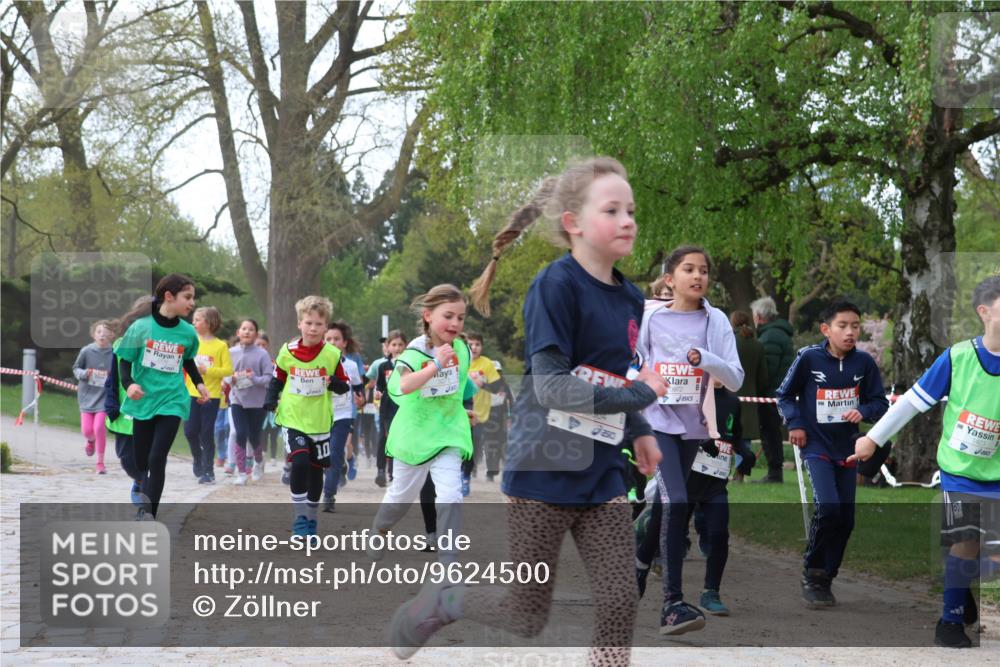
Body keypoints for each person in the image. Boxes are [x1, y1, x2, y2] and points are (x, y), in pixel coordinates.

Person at [386, 157, 667, 666]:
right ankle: (443, 600)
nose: (628, 220)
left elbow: (614, 373)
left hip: (603, 472)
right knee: (525, 614)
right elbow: (556, 388)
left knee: (621, 599)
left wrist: (640, 427)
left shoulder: (629, 297)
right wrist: (643, 398)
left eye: (631, 209)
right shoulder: (555, 286)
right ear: (573, 224)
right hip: (544, 471)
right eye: (612, 209)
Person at [850, 275, 1000, 648]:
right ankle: (949, 622)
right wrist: (873, 438)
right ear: (984, 312)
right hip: (960, 471)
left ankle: (959, 583)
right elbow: (914, 401)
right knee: (966, 539)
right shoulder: (958, 357)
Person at [633, 245, 744, 635]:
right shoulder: (649, 319)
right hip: (656, 421)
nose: (698, 276)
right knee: (676, 500)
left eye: (704, 270)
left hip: (696, 427)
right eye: (688, 269)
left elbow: (736, 378)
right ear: (670, 279)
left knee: (666, 508)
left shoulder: (716, 322)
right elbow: (630, 362)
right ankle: (671, 605)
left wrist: (705, 360)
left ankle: (639, 567)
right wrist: (645, 378)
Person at [776, 300, 889, 607]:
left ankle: (827, 576)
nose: (850, 332)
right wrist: (796, 423)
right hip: (816, 446)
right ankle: (811, 572)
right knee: (828, 508)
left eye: (855, 326)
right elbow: (784, 394)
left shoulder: (864, 363)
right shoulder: (809, 358)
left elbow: (881, 403)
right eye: (842, 326)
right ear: (826, 329)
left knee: (846, 519)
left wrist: (862, 410)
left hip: (849, 450)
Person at [367, 285, 477, 564]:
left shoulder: (462, 350)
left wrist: (464, 409)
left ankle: (448, 560)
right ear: (428, 316)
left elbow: (457, 388)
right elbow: (403, 386)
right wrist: (434, 366)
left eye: (461, 318)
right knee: (400, 499)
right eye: (448, 316)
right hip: (415, 437)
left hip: (449, 434)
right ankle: (379, 529)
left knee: (451, 494)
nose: (455, 323)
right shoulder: (415, 352)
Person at [117, 274, 209, 519]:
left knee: (157, 457)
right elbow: (125, 361)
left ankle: (148, 513)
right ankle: (140, 483)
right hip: (144, 399)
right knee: (142, 460)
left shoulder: (188, 332)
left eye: (193, 298)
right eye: (187, 297)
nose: (192, 303)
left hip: (173, 399)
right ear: (169, 296)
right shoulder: (141, 327)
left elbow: (187, 360)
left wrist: (199, 384)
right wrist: (129, 385)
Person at [263, 296, 350, 536]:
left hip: (320, 421)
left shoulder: (332, 354)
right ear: (299, 324)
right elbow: (278, 376)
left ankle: (311, 518)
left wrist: (333, 382)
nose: (313, 328)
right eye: (308, 323)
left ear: (326, 327)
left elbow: (344, 384)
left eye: (319, 324)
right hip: (292, 417)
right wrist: (271, 398)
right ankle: (299, 517)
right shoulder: (287, 351)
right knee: (299, 462)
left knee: (315, 470)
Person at [685, 379, 743, 616]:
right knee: (668, 529)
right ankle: (648, 571)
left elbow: (734, 436)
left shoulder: (732, 401)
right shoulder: (690, 395)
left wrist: (744, 454)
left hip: (715, 483)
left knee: (719, 534)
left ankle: (711, 592)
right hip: (686, 479)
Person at [183, 306, 233, 484]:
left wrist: (207, 370)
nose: (193, 322)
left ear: (210, 322)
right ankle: (198, 457)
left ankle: (208, 471)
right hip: (190, 393)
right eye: (193, 319)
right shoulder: (190, 342)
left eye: (198, 319)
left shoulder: (220, 346)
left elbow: (228, 370)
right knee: (189, 431)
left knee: (206, 433)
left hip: (211, 396)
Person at [322, 321, 365, 512]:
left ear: (344, 343)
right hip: (320, 415)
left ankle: (329, 495)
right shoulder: (317, 363)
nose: (332, 342)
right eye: (328, 338)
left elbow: (358, 388)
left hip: (342, 415)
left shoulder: (351, 366)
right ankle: (337, 470)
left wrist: (360, 398)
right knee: (323, 456)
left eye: (336, 339)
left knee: (335, 451)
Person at [751, 296, 795, 483]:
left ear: (759, 316)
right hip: (780, 392)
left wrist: (757, 388)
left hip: (770, 394)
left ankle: (774, 472)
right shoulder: (781, 334)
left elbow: (767, 369)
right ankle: (774, 471)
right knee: (773, 431)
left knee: (769, 432)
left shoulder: (769, 337)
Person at [229, 319, 274, 485]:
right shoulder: (231, 352)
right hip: (237, 400)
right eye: (244, 329)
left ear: (256, 334)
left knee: (254, 437)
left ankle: (258, 461)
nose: (247, 332)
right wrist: (231, 378)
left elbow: (269, 378)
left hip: (257, 401)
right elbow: (226, 374)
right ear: (238, 333)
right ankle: (241, 473)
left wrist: (254, 378)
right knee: (240, 433)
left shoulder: (262, 354)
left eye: (251, 329)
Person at [463, 332, 506, 495]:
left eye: (477, 344)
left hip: (481, 414)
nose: (474, 347)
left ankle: (466, 475)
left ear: (482, 347)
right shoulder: (460, 361)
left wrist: (484, 384)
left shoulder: (487, 364)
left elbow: (498, 387)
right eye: (471, 344)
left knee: (474, 446)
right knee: (462, 446)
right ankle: (462, 475)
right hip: (461, 410)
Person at [73, 320, 115, 474]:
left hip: (104, 397)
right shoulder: (86, 351)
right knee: (87, 431)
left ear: (111, 335)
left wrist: (112, 377)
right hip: (86, 396)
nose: (102, 336)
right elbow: (76, 368)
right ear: (93, 334)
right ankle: (91, 441)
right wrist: (84, 374)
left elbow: (119, 372)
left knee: (98, 428)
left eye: (105, 333)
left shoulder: (114, 353)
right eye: (99, 332)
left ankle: (100, 463)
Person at [730, 310, 768, 481]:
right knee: (744, 438)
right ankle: (740, 473)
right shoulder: (757, 345)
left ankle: (720, 472)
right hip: (750, 396)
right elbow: (763, 377)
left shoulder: (729, 341)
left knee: (724, 435)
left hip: (729, 392)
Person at [367, 331, 407, 487]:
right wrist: (378, 391)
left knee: (401, 439)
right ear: (388, 347)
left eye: (400, 345)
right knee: (386, 438)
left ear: (406, 346)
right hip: (388, 408)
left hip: (404, 407)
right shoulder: (384, 366)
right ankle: (381, 470)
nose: (397, 348)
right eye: (394, 345)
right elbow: (380, 385)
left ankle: (395, 472)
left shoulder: (410, 364)